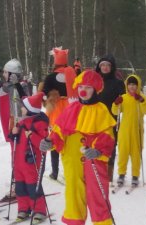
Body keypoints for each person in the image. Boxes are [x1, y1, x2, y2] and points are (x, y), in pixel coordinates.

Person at [40, 70, 116, 225]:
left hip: (93, 158)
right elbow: (59, 130)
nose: (83, 90)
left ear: (95, 89)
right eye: (81, 86)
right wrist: (50, 141)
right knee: (73, 193)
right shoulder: (71, 108)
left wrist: (98, 150)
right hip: (72, 157)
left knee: (97, 194)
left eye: (88, 87)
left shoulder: (101, 109)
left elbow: (107, 135)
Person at [39, 47, 78, 181]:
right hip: (70, 108)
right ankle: (70, 170)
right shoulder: (72, 74)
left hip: (55, 107)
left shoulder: (50, 77)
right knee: (68, 136)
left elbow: (44, 92)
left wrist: (45, 99)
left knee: (54, 136)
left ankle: (54, 172)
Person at [10, 91, 49, 222]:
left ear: (29, 110)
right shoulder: (22, 122)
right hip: (19, 162)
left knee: (33, 186)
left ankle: (39, 210)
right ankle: (23, 209)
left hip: (32, 162)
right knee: (20, 187)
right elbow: (14, 139)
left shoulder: (40, 124)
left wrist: (32, 135)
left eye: (23, 107)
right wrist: (13, 133)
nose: (21, 109)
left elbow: (43, 144)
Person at [112, 75, 146, 186]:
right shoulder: (124, 97)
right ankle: (121, 174)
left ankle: (135, 175)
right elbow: (115, 112)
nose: (132, 86)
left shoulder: (141, 97)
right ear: (126, 85)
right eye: (130, 84)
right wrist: (116, 103)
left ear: (138, 85)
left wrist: (142, 101)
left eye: (134, 84)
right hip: (124, 130)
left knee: (136, 154)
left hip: (137, 130)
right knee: (123, 153)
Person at [0, 58, 27, 198]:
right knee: (14, 154)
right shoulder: (7, 86)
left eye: (6, 72)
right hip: (11, 122)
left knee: (19, 154)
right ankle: (17, 184)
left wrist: (15, 85)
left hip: (20, 124)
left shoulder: (23, 86)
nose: (4, 74)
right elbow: (0, 94)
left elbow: (25, 101)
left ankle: (21, 185)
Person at [95, 54, 125, 183]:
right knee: (94, 143)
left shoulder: (118, 82)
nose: (105, 67)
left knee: (111, 144)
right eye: (103, 65)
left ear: (112, 67)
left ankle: (108, 174)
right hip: (95, 117)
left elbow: (125, 99)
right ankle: (95, 171)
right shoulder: (94, 80)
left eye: (108, 65)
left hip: (112, 117)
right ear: (99, 67)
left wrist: (121, 100)